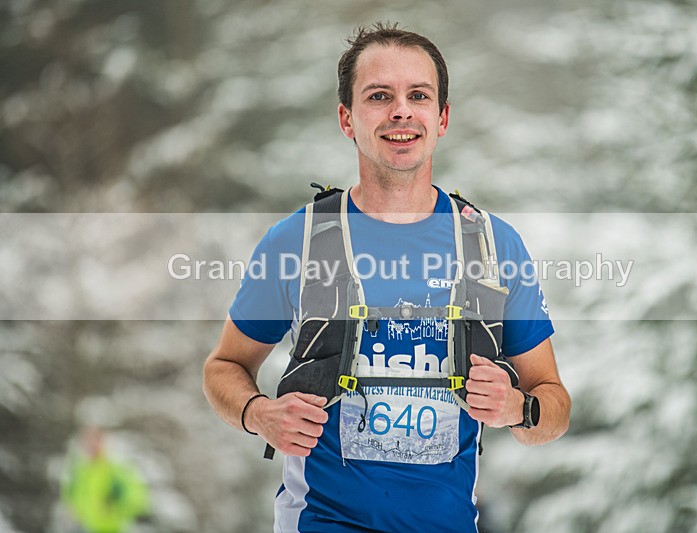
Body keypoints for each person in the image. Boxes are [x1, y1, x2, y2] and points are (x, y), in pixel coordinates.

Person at [203, 22, 570, 532]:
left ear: (441, 118)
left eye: (418, 95)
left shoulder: (491, 245)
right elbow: (223, 366)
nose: (401, 110)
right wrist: (258, 414)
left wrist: (518, 408)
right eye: (379, 96)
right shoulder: (299, 242)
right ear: (346, 118)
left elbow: (553, 406)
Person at [60, 427, 149, 533]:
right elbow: (70, 499)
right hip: (84, 528)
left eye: (96, 441)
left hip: (113, 529)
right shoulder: (79, 471)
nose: (92, 446)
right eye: (88, 441)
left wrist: (118, 501)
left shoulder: (117, 469)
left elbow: (139, 498)